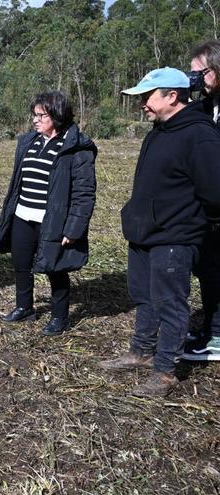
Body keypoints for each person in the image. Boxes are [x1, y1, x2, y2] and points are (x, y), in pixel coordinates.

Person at [99, 68, 220, 396]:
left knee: (170, 303)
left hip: (174, 236)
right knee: (144, 296)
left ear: (172, 96)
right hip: (143, 232)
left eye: (147, 96)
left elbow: (214, 193)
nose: (142, 104)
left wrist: (187, 221)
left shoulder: (200, 134)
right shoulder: (159, 130)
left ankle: (165, 372)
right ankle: (141, 351)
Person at [0, 91, 97, 336]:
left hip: (52, 220)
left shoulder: (76, 147)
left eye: (41, 115)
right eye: (34, 115)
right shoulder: (30, 141)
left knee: (55, 267)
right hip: (22, 215)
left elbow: (84, 193)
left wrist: (73, 228)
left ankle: (60, 317)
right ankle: (24, 307)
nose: (35, 120)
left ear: (57, 116)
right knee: (20, 263)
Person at [183, 40, 220, 361]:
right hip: (209, 207)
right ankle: (210, 326)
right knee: (208, 269)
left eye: (201, 73)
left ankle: (218, 337)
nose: (195, 79)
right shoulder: (207, 104)